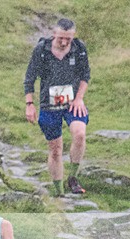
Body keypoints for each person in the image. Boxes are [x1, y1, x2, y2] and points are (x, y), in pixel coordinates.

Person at [24, 17, 90, 196]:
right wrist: (29, 104)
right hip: (49, 104)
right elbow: (30, 78)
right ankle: (59, 192)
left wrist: (79, 99)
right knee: (55, 150)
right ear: (54, 34)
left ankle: (73, 178)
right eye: (61, 38)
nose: (64, 42)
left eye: (68, 39)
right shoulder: (41, 51)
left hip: (72, 103)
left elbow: (85, 76)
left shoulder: (79, 49)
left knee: (80, 134)